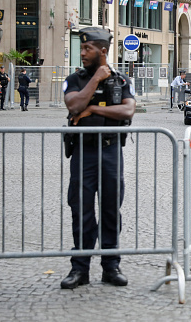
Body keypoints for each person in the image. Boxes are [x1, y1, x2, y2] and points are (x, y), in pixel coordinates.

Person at [61, 27, 136, 289]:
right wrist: (95, 81)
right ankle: (79, 269)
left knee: (110, 210)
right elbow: (73, 106)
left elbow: (128, 110)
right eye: (82, 48)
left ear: (102, 51)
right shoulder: (75, 79)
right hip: (84, 152)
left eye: (87, 49)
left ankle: (111, 267)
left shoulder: (121, 80)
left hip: (111, 151)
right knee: (81, 210)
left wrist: (92, 107)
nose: (82, 53)